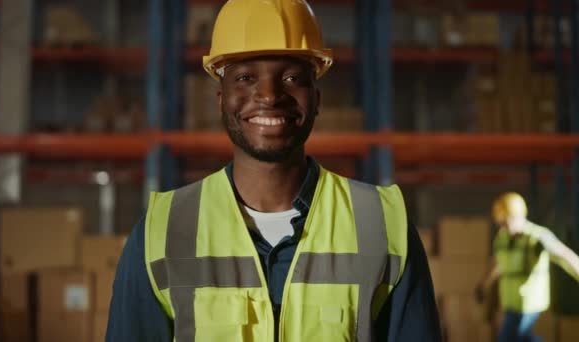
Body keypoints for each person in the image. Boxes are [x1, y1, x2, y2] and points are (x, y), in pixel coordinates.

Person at [106, 0, 441, 340]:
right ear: (221, 100)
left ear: (317, 99)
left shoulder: (383, 224)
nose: (269, 95)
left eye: (293, 77)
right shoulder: (161, 232)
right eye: (246, 77)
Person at [477, 192, 579, 342]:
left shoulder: (537, 236)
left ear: (519, 216)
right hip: (510, 302)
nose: (504, 226)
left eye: (507, 221)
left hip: (529, 303)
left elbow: (565, 256)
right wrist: (484, 285)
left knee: (508, 338)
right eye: (501, 222)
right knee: (522, 338)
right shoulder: (502, 238)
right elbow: (499, 265)